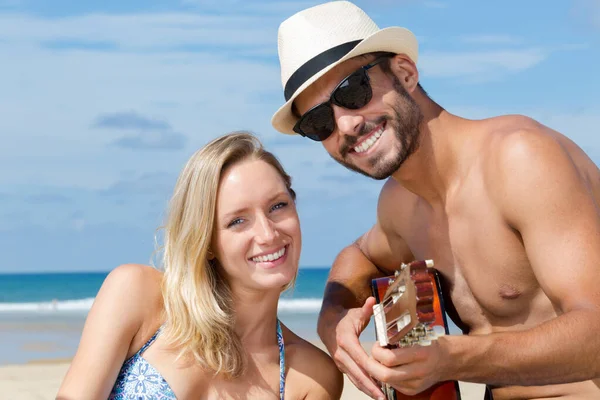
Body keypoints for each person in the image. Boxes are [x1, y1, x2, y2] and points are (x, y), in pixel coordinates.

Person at [270, 2, 600, 399]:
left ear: (405, 73)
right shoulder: (401, 205)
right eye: (319, 122)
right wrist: (333, 316)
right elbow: (361, 254)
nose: (346, 124)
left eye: (353, 91)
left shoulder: (520, 159)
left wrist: (451, 359)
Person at [56, 132, 343, 399]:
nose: (268, 234)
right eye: (237, 221)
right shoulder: (138, 295)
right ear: (205, 243)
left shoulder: (310, 376)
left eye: (278, 206)